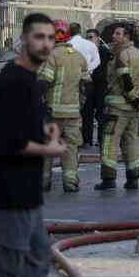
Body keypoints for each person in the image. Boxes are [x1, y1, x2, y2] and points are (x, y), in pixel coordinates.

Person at [0, 12, 66, 277]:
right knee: (5, 271)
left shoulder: (28, 80)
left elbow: (25, 122)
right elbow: (10, 142)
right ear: (24, 39)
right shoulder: (14, 80)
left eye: (51, 38)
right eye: (39, 37)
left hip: (26, 193)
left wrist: (45, 128)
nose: (45, 44)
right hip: (9, 192)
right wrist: (50, 151)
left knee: (39, 258)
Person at [38, 19, 90, 193]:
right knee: (71, 147)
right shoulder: (79, 56)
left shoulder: (52, 56)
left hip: (53, 112)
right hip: (73, 112)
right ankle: (70, 182)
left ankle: (44, 182)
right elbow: (87, 85)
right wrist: (80, 103)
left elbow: (44, 82)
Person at [97, 24, 139, 191]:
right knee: (132, 143)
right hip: (134, 111)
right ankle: (133, 178)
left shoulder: (120, 55)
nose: (114, 36)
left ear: (127, 37)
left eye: (118, 34)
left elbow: (125, 82)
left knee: (109, 143)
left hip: (117, 108)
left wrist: (134, 99)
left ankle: (108, 178)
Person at [82, 29, 112, 148]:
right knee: (86, 114)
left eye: (91, 37)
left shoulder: (105, 52)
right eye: (87, 38)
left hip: (101, 87)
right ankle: (87, 140)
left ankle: (101, 140)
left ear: (98, 38)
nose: (89, 40)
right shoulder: (84, 52)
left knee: (101, 115)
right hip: (88, 87)